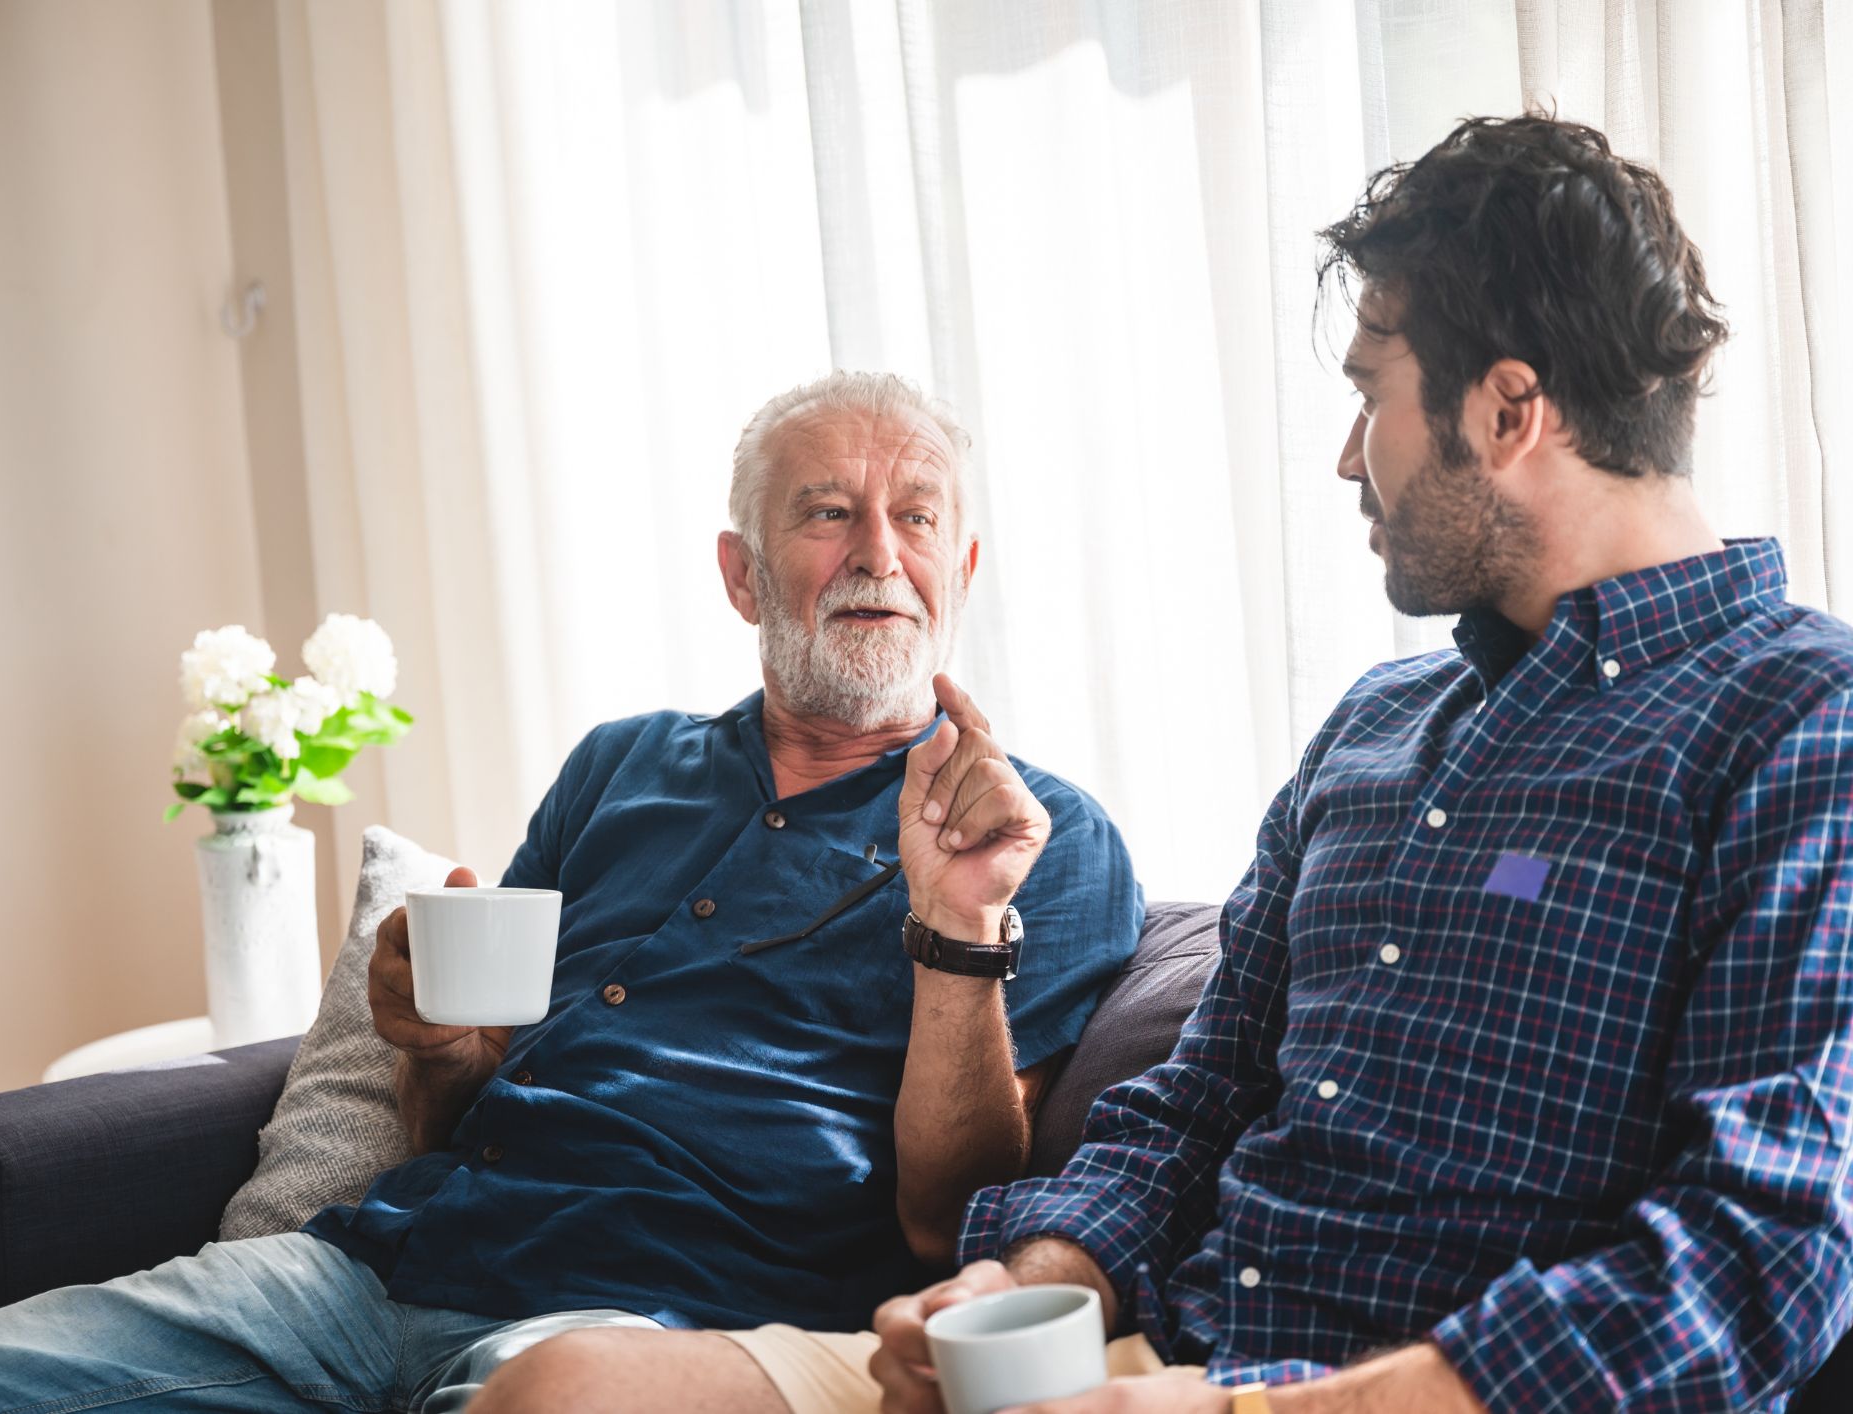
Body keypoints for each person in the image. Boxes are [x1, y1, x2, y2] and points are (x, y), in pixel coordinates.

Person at [488, 115, 1853, 1414]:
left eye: (1369, 393)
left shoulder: (1801, 723)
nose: (1343, 459)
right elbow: (1188, 1112)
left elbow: (1761, 1255)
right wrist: (1017, 1292)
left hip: (1383, 1395)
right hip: (1164, 1357)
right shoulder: (1378, 728)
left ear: (1506, 412)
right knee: (571, 1382)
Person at [0, 373, 1141, 1413]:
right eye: (825, 514)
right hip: (365, 1271)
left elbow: (947, 1221)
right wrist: (440, 1047)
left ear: (962, 564)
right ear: (743, 573)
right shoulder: (622, 765)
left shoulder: (1040, 836)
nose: (877, 552)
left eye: (915, 516)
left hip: (648, 1326)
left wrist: (959, 929)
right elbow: (454, 1106)